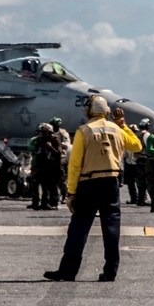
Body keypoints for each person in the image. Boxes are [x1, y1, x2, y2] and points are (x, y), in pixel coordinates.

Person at [44, 95, 142, 282]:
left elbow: (74, 165)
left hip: (89, 183)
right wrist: (122, 125)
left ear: (89, 110)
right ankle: (110, 272)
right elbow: (136, 146)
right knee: (111, 228)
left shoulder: (84, 131)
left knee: (79, 228)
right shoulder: (116, 130)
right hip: (111, 182)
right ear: (105, 111)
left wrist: (71, 192)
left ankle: (68, 271)